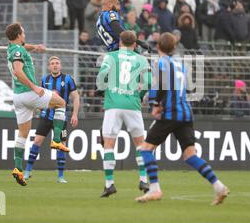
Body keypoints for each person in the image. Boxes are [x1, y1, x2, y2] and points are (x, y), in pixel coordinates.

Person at [136, 33, 229, 205]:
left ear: (158, 46)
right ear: (174, 47)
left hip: (170, 113)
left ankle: (155, 189)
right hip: (185, 112)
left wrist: (155, 104)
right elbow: (182, 88)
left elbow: (162, 84)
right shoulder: (181, 65)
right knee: (190, 155)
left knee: (145, 149)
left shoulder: (161, 62)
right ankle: (219, 186)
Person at [5, 23, 69, 186]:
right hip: (28, 93)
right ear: (19, 35)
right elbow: (18, 71)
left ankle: (18, 169)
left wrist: (37, 47)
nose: (25, 35)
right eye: (23, 33)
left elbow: (25, 46)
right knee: (61, 102)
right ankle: (56, 139)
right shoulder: (18, 51)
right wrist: (34, 87)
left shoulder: (12, 48)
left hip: (18, 97)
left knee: (23, 134)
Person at [96, 31, 151, 197]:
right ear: (135, 44)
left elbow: (102, 76)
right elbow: (148, 82)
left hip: (113, 104)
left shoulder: (111, 56)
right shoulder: (142, 59)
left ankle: (109, 184)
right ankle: (143, 179)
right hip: (132, 104)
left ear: (120, 42)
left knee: (109, 144)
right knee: (140, 144)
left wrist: (102, 89)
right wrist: (139, 97)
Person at [24, 56, 80, 183]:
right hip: (46, 117)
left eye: (57, 63)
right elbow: (40, 96)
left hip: (61, 119)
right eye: (52, 63)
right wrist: (35, 109)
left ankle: (60, 176)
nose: (55, 65)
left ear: (60, 66)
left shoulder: (68, 79)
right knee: (37, 141)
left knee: (61, 145)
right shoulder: (45, 79)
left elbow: (76, 97)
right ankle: (27, 171)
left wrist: (75, 114)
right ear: (49, 66)